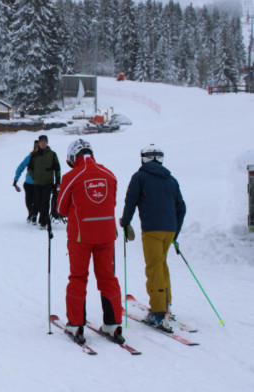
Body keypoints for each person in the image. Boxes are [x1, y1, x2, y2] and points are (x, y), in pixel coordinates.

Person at [57, 139, 124, 344]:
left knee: (78, 278)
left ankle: (76, 325)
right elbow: (111, 201)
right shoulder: (109, 174)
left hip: (81, 237)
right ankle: (113, 324)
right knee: (107, 277)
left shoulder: (71, 176)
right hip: (106, 235)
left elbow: (60, 207)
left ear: (72, 157)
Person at [120, 144, 186, 333]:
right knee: (162, 265)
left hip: (152, 230)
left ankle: (158, 313)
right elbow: (181, 207)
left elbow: (131, 201)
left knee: (154, 268)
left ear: (144, 158)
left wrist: (125, 222)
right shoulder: (171, 179)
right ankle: (166, 304)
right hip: (169, 229)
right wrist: (176, 232)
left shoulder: (139, 177)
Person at [28, 134, 61, 230]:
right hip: (37, 182)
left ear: (47, 142)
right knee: (38, 202)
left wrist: (58, 181)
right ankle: (40, 217)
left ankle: (43, 221)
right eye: (41, 142)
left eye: (44, 142)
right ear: (39, 143)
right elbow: (29, 168)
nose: (43, 144)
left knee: (45, 202)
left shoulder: (52, 154)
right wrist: (34, 176)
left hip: (48, 182)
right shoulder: (34, 155)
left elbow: (57, 168)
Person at [13, 140, 39, 224]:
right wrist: (16, 179)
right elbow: (21, 167)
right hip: (28, 183)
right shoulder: (29, 157)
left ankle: (34, 215)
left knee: (36, 200)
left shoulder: (44, 158)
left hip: (39, 183)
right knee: (28, 200)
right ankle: (30, 213)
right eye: (36, 148)